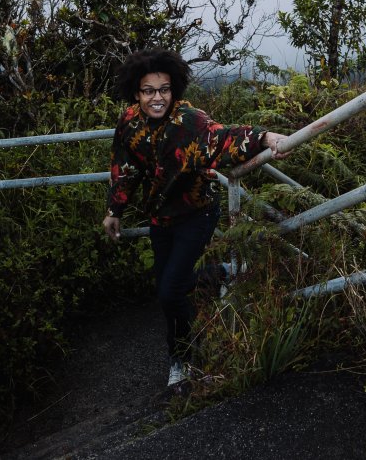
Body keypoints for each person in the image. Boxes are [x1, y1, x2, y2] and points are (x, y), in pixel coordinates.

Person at [102, 47, 291, 389]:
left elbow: (223, 137)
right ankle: (221, 274)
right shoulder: (129, 122)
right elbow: (124, 166)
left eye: (164, 89)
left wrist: (265, 137)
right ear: (136, 93)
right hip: (160, 217)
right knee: (168, 288)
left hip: (196, 213)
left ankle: (184, 358)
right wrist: (115, 209)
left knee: (170, 291)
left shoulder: (189, 120)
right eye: (149, 91)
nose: (157, 98)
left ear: (173, 89)